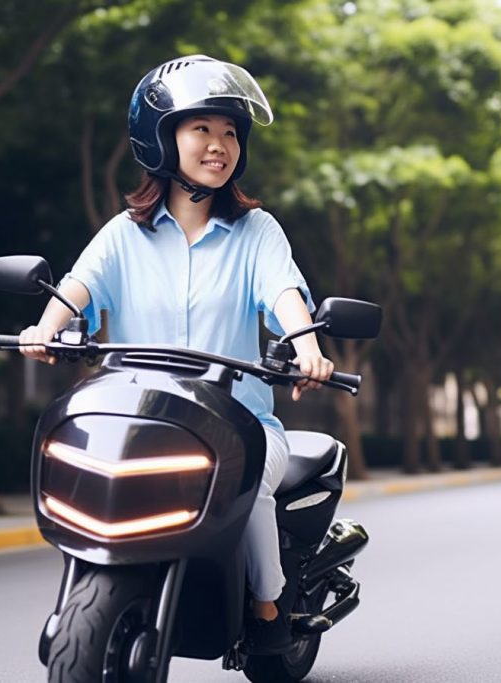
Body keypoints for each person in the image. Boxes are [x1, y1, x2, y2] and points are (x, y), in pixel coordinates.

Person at [18, 55, 333, 654]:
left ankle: (268, 608)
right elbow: (78, 286)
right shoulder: (123, 234)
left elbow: (284, 291)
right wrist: (45, 327)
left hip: (239, 426)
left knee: (253, 490)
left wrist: (307, 345)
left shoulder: (257, 231)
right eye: (203, 130)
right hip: (142, 425)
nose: (220, 146)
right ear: (163, 139)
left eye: (231, 134)